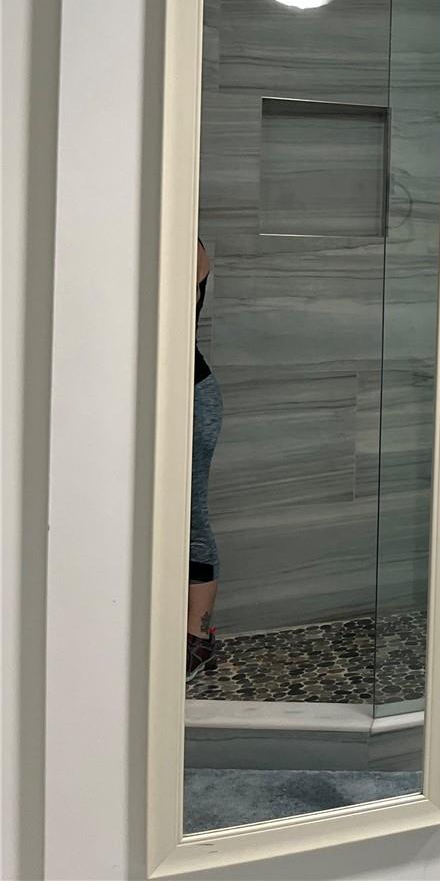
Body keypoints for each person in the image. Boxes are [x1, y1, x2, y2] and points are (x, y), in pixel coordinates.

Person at [188, 239, 224, 678]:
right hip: (161, 394)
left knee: (191, 516)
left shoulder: (188, 245)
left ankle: (197, 637)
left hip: (192, 397)